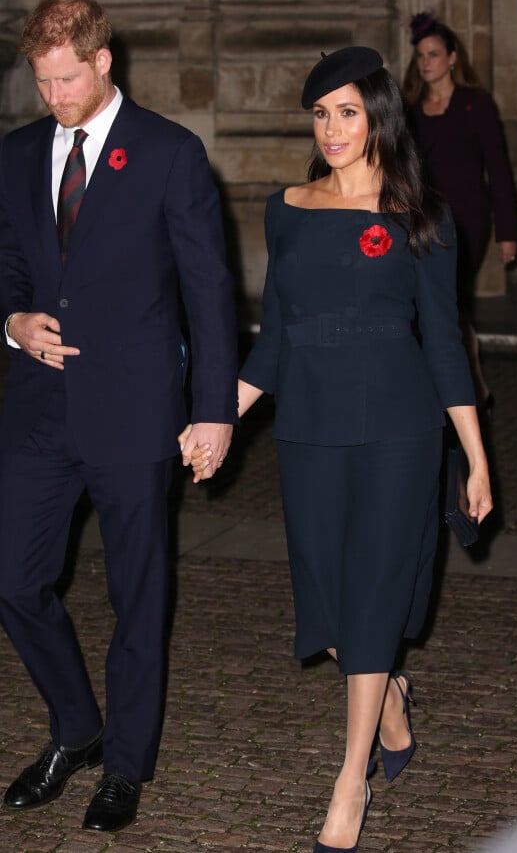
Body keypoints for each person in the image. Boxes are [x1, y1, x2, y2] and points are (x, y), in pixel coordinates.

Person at [185, 47, 493, 852]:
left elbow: (444, 349)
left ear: (379, 116)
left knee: (376, 587)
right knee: (328, 605)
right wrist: (220, 418)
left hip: (400, 427)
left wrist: (476, 455)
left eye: (347, 111)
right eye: (320, 113)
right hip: (310, 429)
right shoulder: (288, 207)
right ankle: (387, 690)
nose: (332, 128)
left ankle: (349, 781)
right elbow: (275, 341)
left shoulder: (418, 212)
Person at [0, 0, 237, 832]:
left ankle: (126, 765)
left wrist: (215, 412)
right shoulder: (19, 152)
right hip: (37, 413)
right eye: (41, 81)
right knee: (13, 579)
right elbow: (7, 266)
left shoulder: (170, 153)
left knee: (138, 596)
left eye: (67, 78)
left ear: (104, 62)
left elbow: (210, 293)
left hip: (136, 413)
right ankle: (78, 729)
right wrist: (13, 321)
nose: (54, 95)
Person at [403, 13, 517, 410]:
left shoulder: (476, 104)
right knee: (442, 303)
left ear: (453, 57)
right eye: (420, 56)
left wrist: (508, 232)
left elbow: (499, 170)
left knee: (448, 301)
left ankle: (466, 388)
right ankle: (474, 385)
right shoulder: (411, 108)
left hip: (468, 218)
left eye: (434, 54)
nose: (426, 62)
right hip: (424, 217)